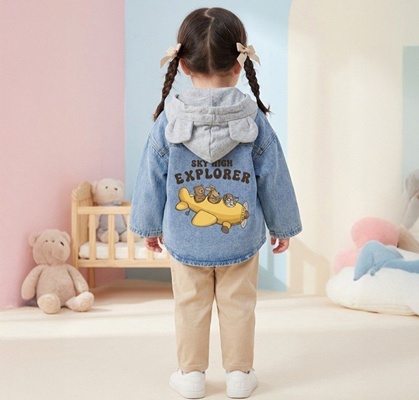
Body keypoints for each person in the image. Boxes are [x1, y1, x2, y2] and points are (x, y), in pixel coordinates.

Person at [130, 7, 302, 399]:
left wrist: (149, 226)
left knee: (189, 305)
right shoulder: (253, 120)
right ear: (240, 64)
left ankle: (191, 375)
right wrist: (283, 226)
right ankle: (239, 375)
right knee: (239, 305)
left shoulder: (169, 121)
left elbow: (151, 175)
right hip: (239, 237)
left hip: (185, 238)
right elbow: (274, 174)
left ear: (183, 65)